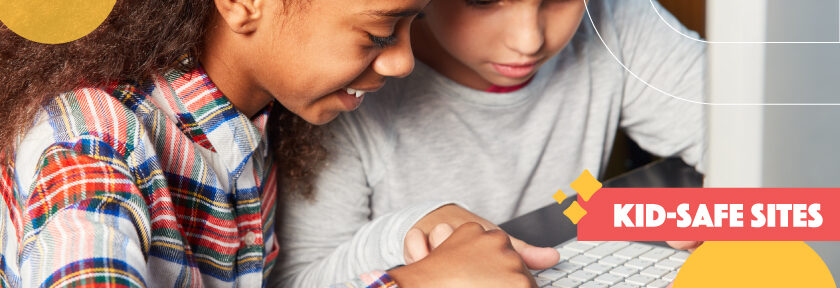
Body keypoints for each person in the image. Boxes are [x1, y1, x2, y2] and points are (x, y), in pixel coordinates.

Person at [0, 0, 549, 287]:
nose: (404, 63)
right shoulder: (87, 141)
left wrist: (404, 237)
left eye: (414, 23)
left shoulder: (250, 124)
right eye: (380, 30)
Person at [273, 0, 706, 286]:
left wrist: (733, 203)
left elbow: (757, 133)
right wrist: (406, 233)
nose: (529, 40)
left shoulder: (615, 20)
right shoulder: (340, 85)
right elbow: (296, 279)